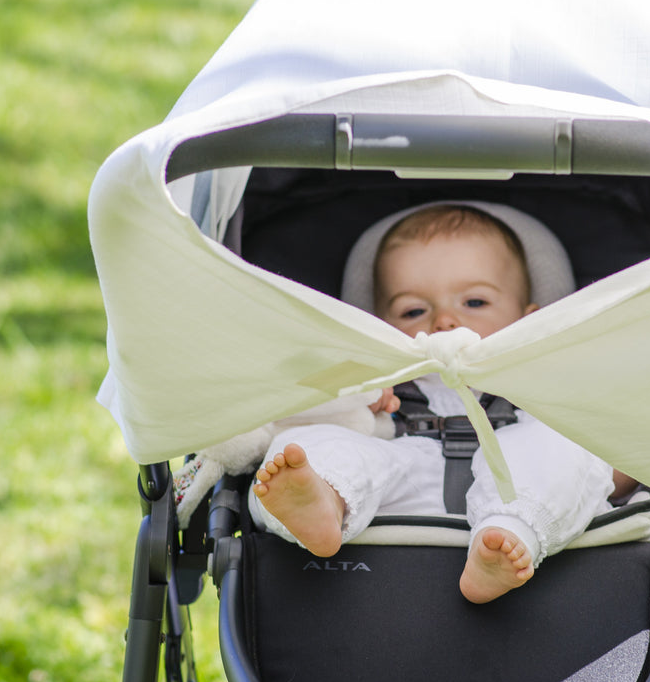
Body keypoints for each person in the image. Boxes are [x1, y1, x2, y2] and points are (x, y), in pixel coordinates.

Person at [250, 204, 621, 603]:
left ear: (527, 320)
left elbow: (613, 452)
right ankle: (323, 498)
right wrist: (356, 394)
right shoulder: (377, 380)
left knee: (569, 447)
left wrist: (608, 459)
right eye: (413, 311)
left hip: (516, 487)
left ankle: (511, 535)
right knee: (305, 442)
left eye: (474, 303)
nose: (444, 321)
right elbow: (295, 405)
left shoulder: (542, 375)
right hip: (398, 475)